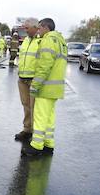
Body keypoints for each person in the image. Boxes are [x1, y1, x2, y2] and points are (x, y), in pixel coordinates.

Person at [22, 17, 67, 156]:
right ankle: (48, 143)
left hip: (46, 87)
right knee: (49, 117)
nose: (38, 30)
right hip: (55, 88)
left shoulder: (47, 40)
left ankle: (36, 146)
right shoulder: (60, 41)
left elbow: (44, 65)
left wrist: (35, 85)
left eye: (40, 27)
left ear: (46, 28)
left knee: (40, 116)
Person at [14, 18, 42, 143]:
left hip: (33, 79)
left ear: (35, 27)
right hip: (22, 79)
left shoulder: (41, 41)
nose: (24, 30)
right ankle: (27, 129)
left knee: (35, 107)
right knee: (26, 105)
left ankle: (35, 133)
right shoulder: (26, 40)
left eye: (27, 28)